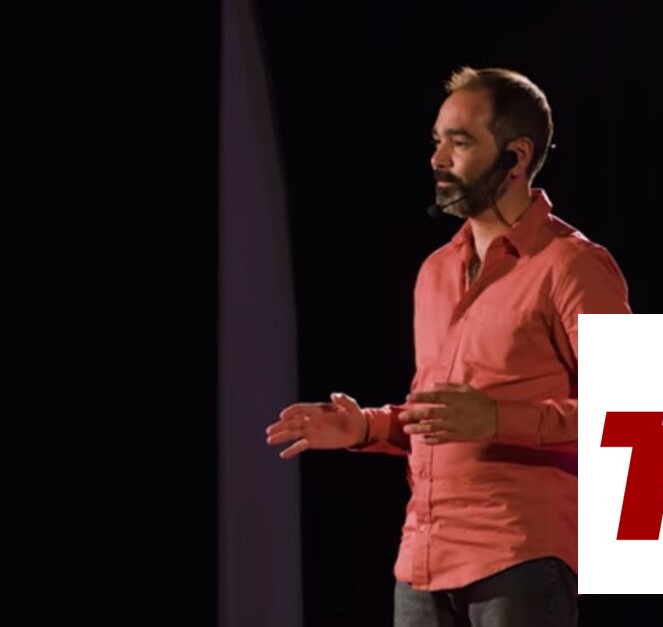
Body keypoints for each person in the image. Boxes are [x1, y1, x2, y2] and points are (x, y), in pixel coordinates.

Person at [264, 67, 631, 626]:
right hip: (422, 563)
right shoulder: (435, 272)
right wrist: (365, 428)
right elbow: (439, 414)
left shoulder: (571, 265)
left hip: (519, 556)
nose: (437, 159)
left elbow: (633, 412)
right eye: (437, 141)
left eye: (458, 142)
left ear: (515, 157)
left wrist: (497, 419)